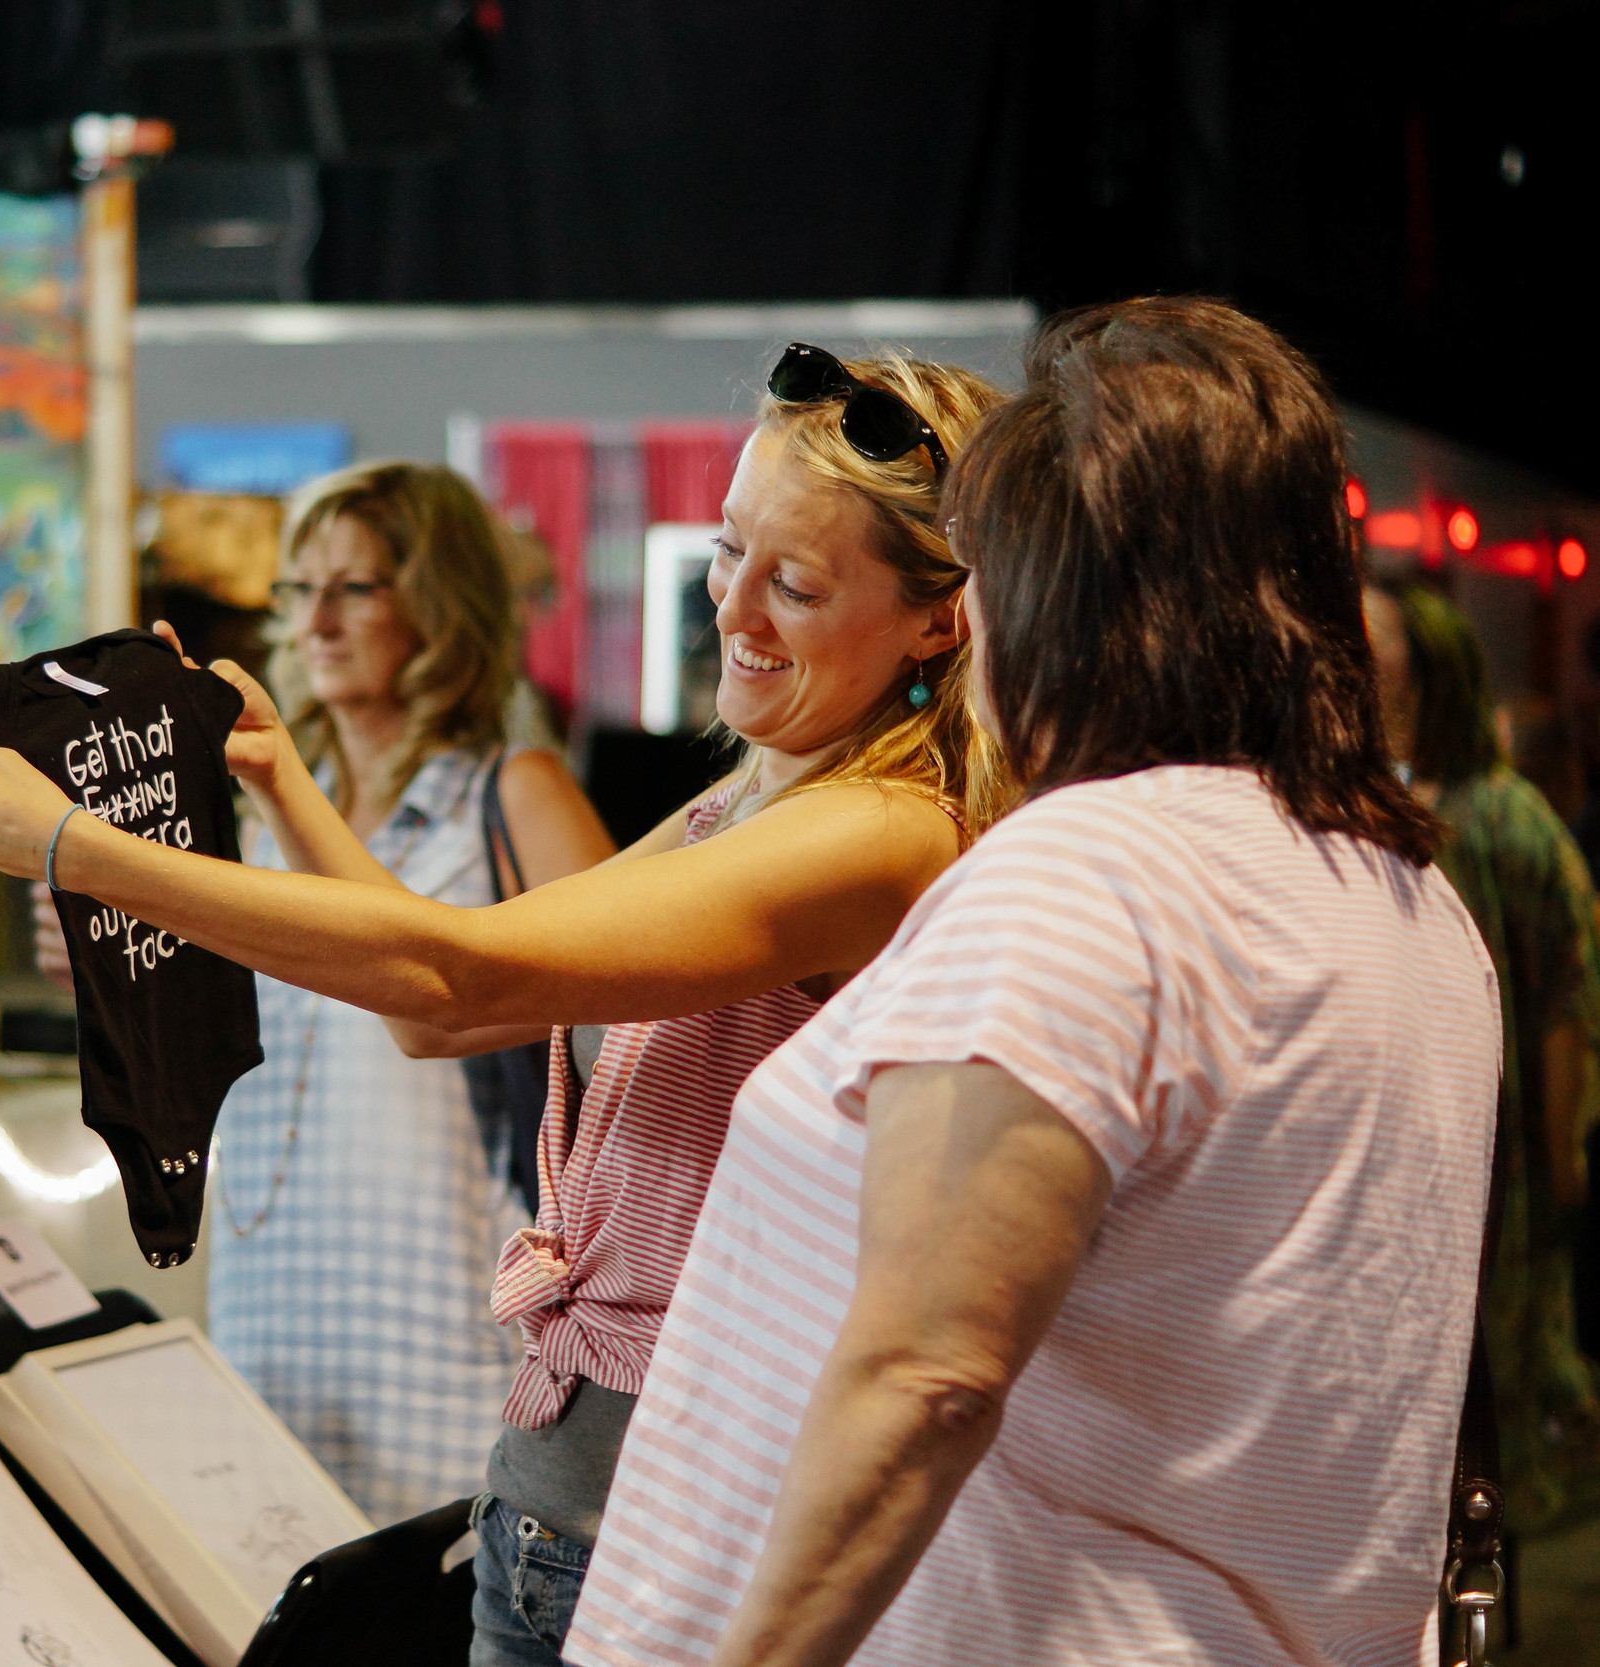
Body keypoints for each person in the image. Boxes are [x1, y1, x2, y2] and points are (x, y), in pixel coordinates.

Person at [0, 347, 1006, 1666]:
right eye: (729, 551)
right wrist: (283, 782)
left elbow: (460, 974)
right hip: (571, 1516)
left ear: (940, 618)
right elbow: (447, 1010)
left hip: (659, 1547)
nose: (735, 611)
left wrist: (68, 845)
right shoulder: (766, 795)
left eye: (798, 582)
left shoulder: (879, 829)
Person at [560, 297, 1504, 1667]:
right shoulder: (1407, 902)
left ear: (1051, 594)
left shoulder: (1093, 874)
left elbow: (927, 1379)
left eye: (978, 571)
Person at [62, 460, 619, 1524]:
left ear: (438, 601)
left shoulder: (509, 795)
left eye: (353, 586)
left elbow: (620, 1030)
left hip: (450, 1322)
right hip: (271, 1304)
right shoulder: (242, 821)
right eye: (296, 588)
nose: (314, 618)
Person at [1365, 578, 1600, 1535]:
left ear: (1426, 665)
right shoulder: (1369, 800)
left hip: (1499, 1171)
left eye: (1373, 634)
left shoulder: (1503, 814)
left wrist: (1561, 1159)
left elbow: (1565, 997)